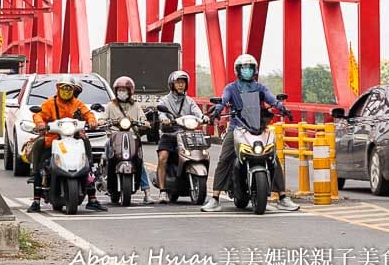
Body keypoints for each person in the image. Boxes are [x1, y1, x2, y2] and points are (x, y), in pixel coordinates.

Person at [201, 53, 299, 212]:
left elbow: (271, 99)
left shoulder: (259, 88)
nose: (247, 70)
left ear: (255, 70)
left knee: (273, 157)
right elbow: (224, 99)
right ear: (238, 70)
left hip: (256, 127)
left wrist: (282, 107)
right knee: (224, 158)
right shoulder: (231, 88)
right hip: (237, 127)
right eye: (244, 68)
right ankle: (215, 198)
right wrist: (218, 108)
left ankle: (282, 197)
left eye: (250, 68)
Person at [29, 74, 106, 213]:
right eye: (63, 87)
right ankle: (36, 198)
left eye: (69, 88)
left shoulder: (77, 104)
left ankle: (93, 198)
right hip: (53, 139)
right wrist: (40, 123)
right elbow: (39, 114)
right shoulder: (49, 104)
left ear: (73, 89)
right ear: (58, 88)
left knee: (87, 149)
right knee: (40, 147)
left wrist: (92, 121)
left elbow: (88, 113)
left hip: (74, 138)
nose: (66, 90)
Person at [155, 69, 203, 203]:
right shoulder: (165, 100)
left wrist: (204, 118)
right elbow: (161, 112)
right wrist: (164, 119)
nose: (181, 85)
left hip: (187, 134)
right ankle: (163, 191)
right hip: (169, 134)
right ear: (172, 84)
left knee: (199, 153)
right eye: (178, 83)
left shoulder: (189, 101)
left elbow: (197, 112)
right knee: (163, 157)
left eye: (183, 83)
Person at [105, 76, 152, 204]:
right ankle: (104, 177)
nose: (122, 92)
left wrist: (145, 123)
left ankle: (147, 192)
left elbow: (143, 119)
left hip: (132, 137)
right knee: (107, 156)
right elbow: (103, 119)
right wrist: (101, 121)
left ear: (130, 91)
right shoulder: (110, 105)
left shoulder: (136, 106)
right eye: (119, 90)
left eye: (124, 90)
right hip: (114, 136)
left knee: (139, 162)